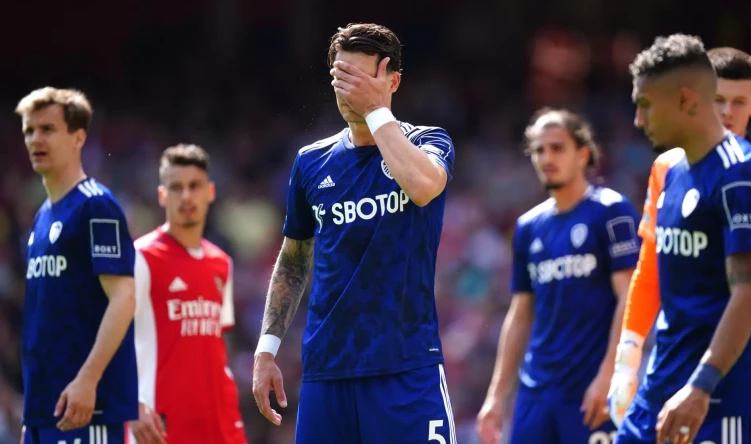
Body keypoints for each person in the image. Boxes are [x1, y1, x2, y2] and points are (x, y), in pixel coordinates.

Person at [250, 22, 456, 444]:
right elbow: (293, 260)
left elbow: (423, 187)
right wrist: (266, 348)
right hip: (328, 374)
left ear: (392, 80)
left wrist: (376, 111)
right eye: (341, 78)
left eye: (360, 79)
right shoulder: (311, 162)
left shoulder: (429, 142)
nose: (349, 91)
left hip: (405, 367)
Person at [613, 34, 751, 444]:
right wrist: (627, 361)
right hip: (664, 381)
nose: (638, 120)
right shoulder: (669, 170)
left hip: (724, 391)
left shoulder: (749, 174)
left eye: (646, 105)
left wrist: (706, 385)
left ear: (686, 100)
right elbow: (651, 271)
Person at [475, 108, 641, 444]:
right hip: (537, 392)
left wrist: (610, 374)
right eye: (538, 149)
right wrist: (496, 396)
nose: (546, 157)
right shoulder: (528, 227)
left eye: (557, 147)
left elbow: (630, 295)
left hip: (591, 387)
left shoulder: (611, 211)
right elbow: (520, 313)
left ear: (583, 154)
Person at [17, 87, 138, 443]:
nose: (35, 139)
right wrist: (33, 415)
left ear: (78, 137)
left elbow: (124, 299)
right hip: (45, 413)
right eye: (29, 131)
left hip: (88, 408)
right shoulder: (40, 218)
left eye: (48, 129)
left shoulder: (96, 206)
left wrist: (88, 378)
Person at [130, 144, 246, 444]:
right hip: (159, 424)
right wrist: (131, 403)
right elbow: (109, 341)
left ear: (210, 192)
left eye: (194, 186)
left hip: (218, 423)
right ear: (162, 195)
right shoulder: (140, 257)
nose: (186, 196)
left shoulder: (222, 263)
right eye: (176, 187)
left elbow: (216, 348)